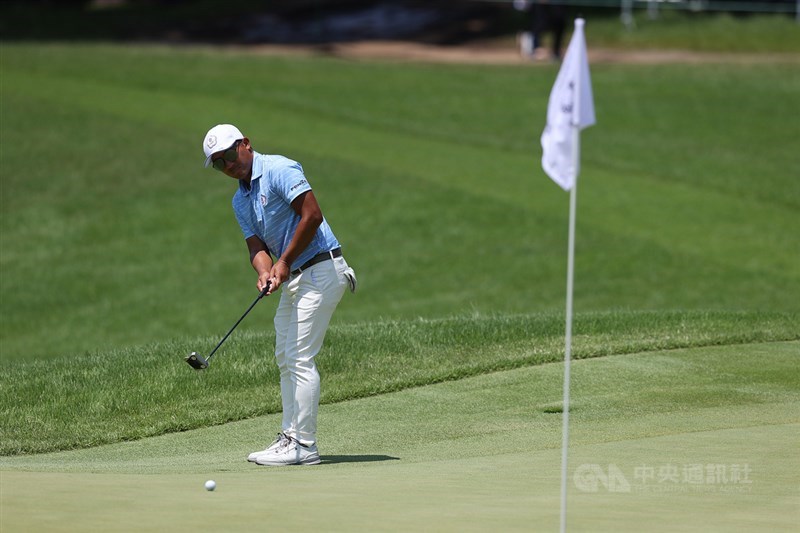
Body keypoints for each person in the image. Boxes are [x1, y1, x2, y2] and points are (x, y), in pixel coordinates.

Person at [201, 124, 356, 466]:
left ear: (245, 144)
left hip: (322, 268)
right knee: (285, 356)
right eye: (217, 163)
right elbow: (255, 246)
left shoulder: (278, 169)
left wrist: (283, 261)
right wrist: (264, 271)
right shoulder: (239, 199)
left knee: (299, 357)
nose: (227, 165)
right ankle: (290, 438)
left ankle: (304, 445)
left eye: (228, 155)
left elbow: (312, 215)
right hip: (297, 277)